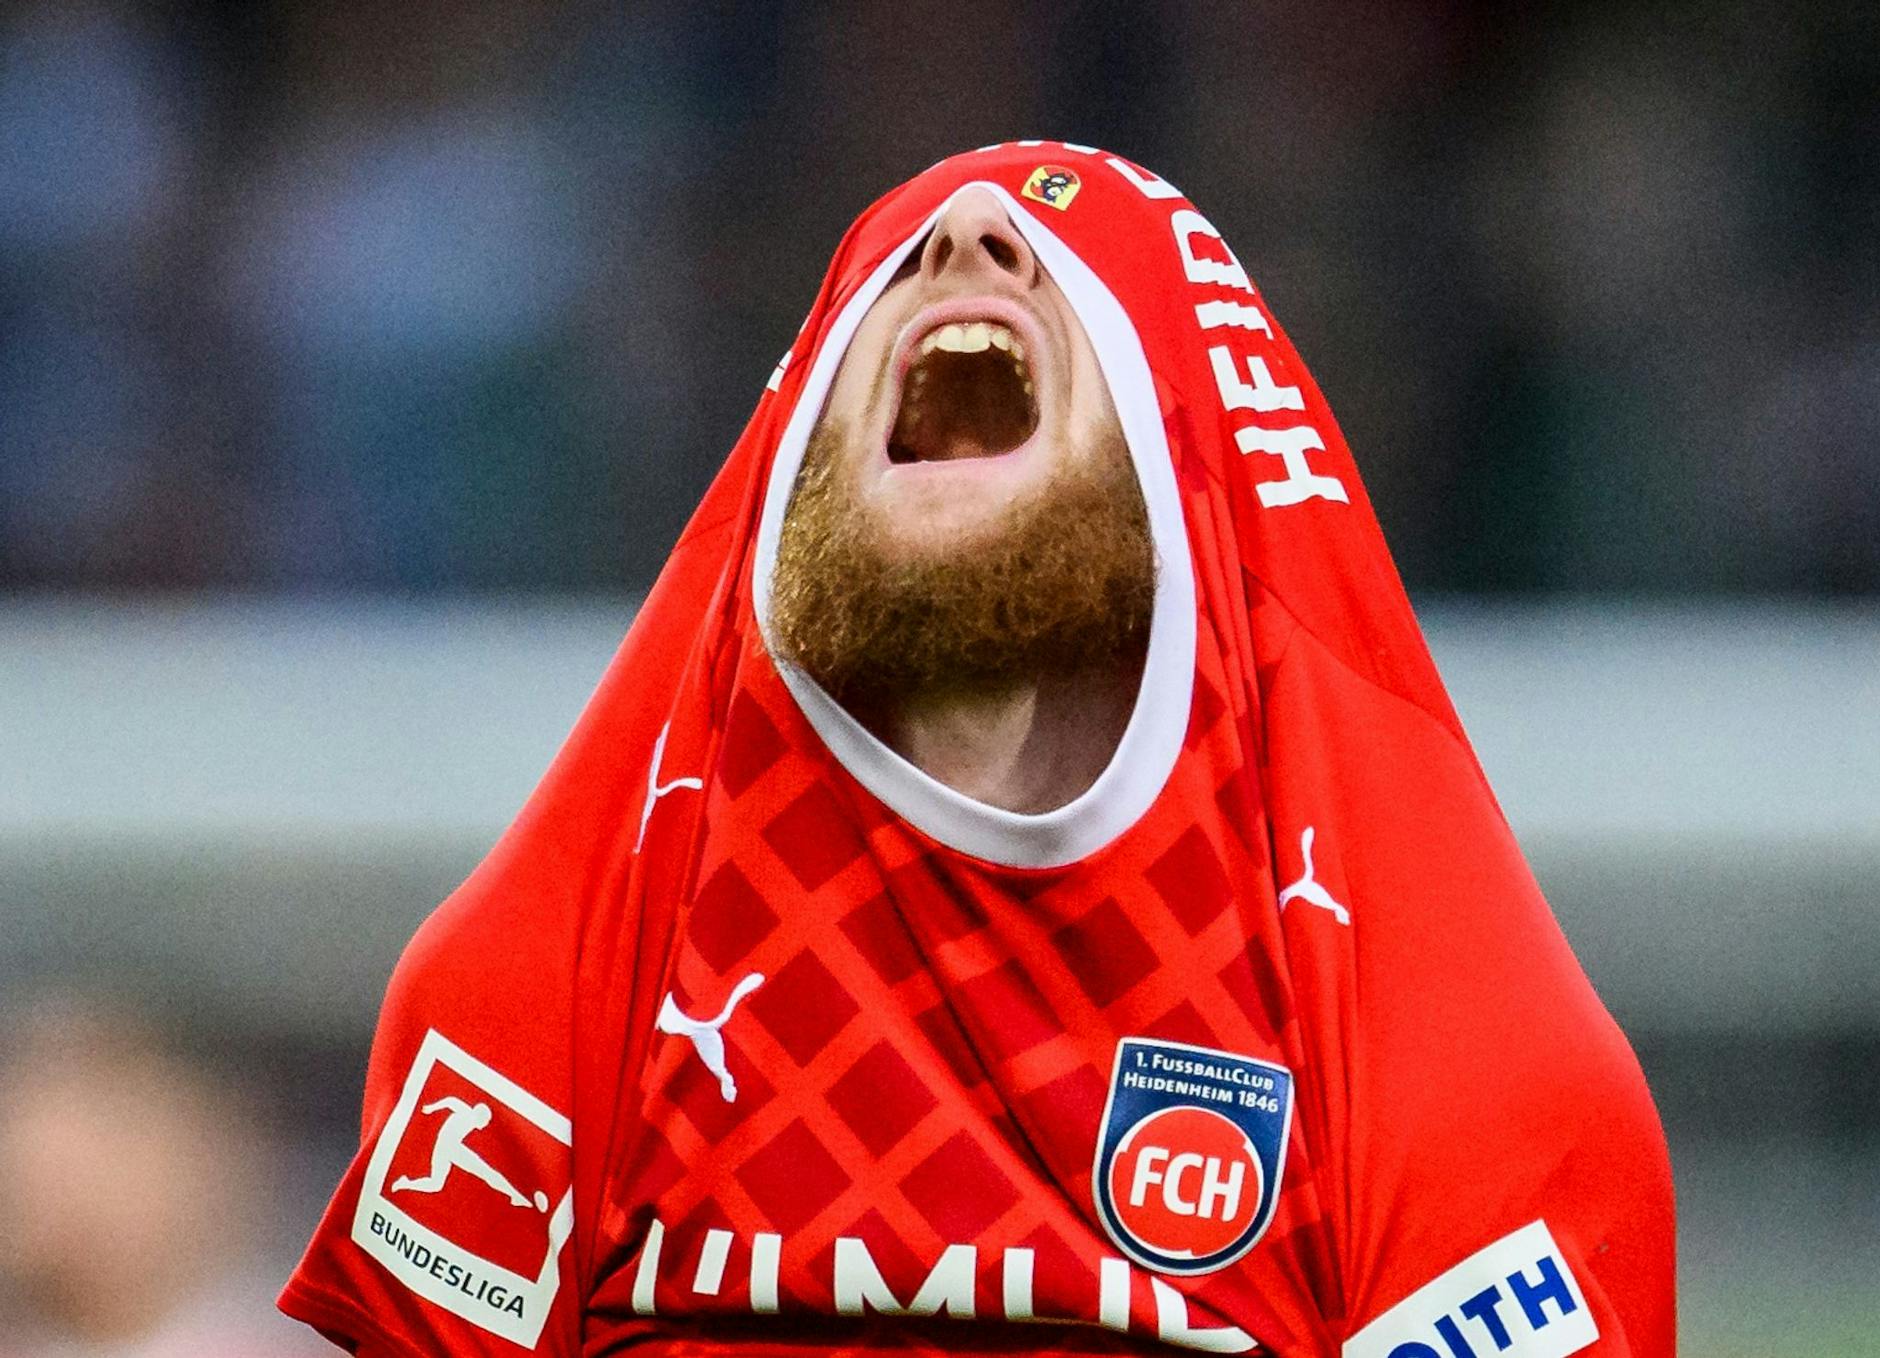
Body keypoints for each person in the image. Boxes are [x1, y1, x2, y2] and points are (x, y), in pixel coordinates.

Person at [281, 143, 1675, 1356]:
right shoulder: (536, 1002)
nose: (963, 237)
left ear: (1191, 473)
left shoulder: (1467, 1081)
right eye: (896, 265)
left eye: (1063, 265)